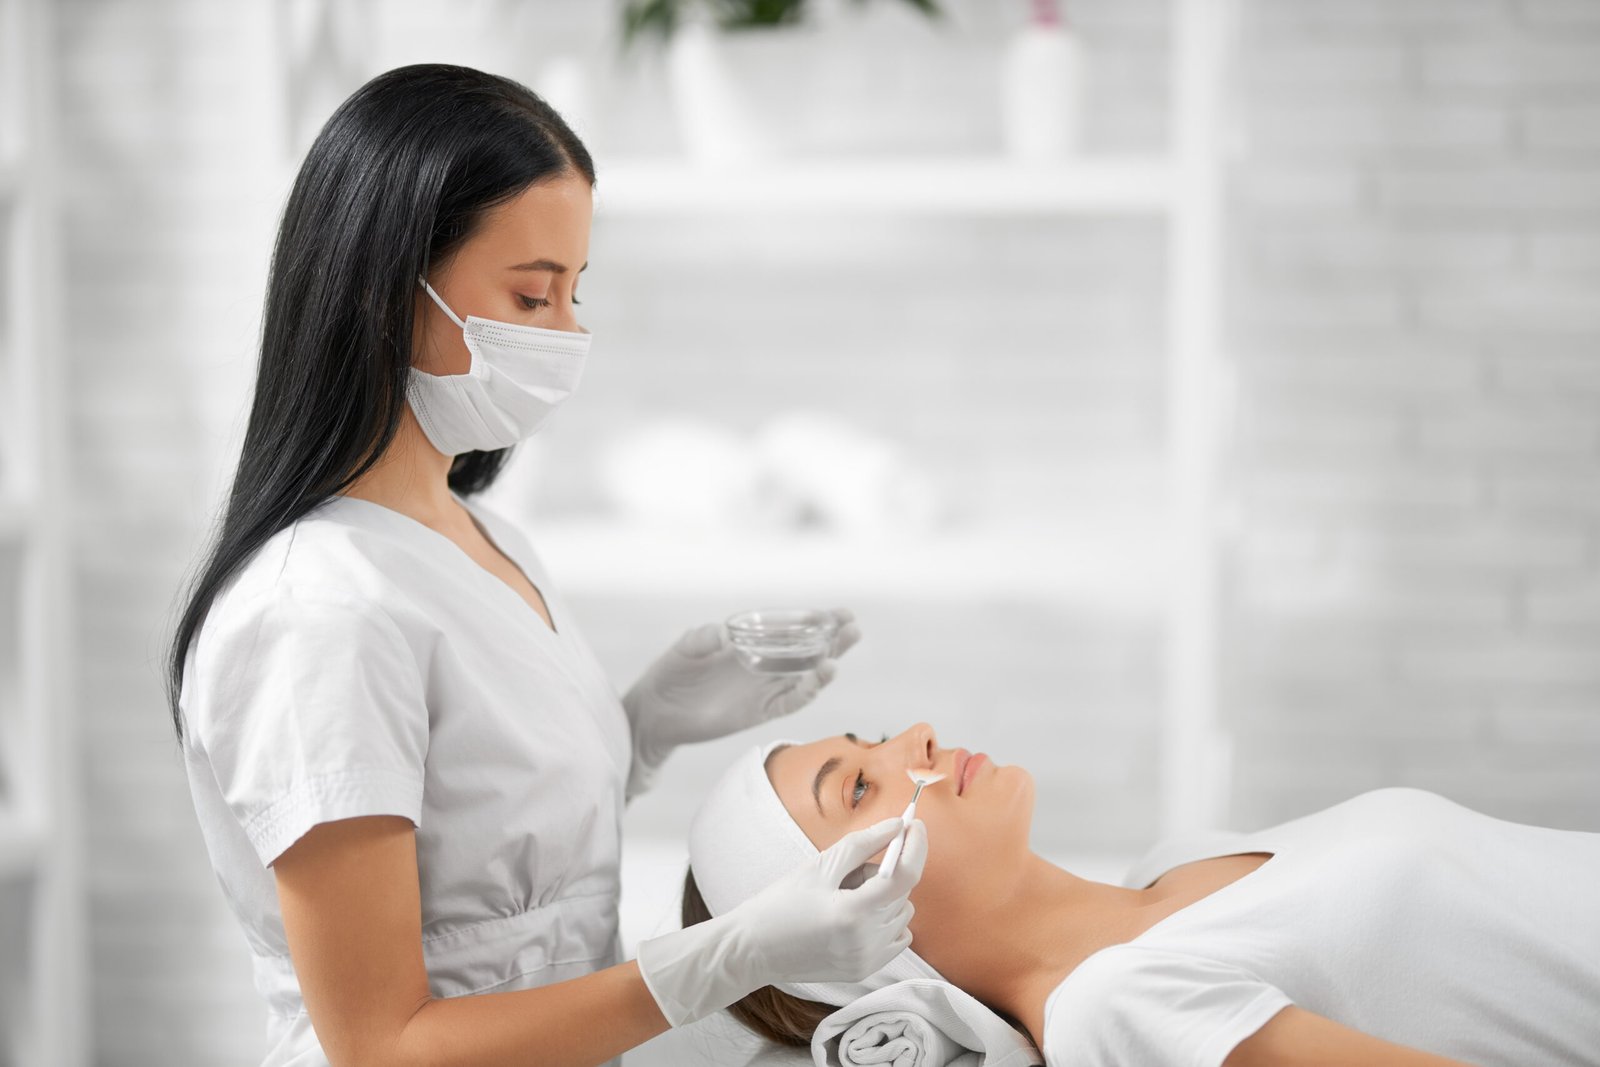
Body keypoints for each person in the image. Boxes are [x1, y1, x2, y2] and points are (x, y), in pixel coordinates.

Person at [163, 63, 927, 1067]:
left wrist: (640, 724)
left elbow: (482, 865)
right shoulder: (317, 610)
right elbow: (383, 1044)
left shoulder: (483, 536)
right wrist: (727, 955)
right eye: (532, 294)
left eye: (574, 290)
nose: (569, 332)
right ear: (385, 291)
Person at [680, 723, 1600, 1067]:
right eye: (858, 789)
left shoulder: (1177, 861)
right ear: (855, 925)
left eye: (873, 739)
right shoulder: (1117, 1004)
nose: (913, 738)